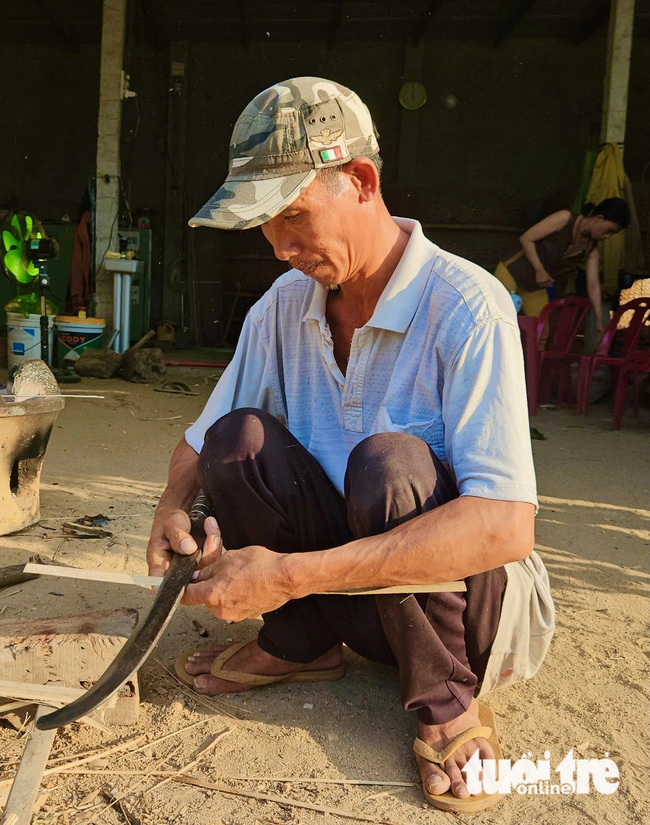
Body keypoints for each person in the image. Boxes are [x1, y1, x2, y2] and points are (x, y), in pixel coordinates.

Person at [146, 77, 554, 814]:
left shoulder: (466, 308)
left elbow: (505, 524)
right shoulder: (282, 308)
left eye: (294, 217)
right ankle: (303, 645)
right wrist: (171, 506)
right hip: (348, 593)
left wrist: (289, 574)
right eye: (266, 227)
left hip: (466, 613)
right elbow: (201, 434)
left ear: (362, 181)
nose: (279, 249)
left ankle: (446, 700)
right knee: (234, 441)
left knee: (389, 464)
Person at [494, 198, 630, 335]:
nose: (607, 236)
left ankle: (531, 357)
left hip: (534, 286)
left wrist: (599, 319)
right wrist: (539, 270)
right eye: (609, 230)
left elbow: (593, 284)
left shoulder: (591, 250)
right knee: (500, 321)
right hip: (512, 271)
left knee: (542, 332)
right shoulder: (564, 218)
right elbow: (526, 238)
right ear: (599, 218)